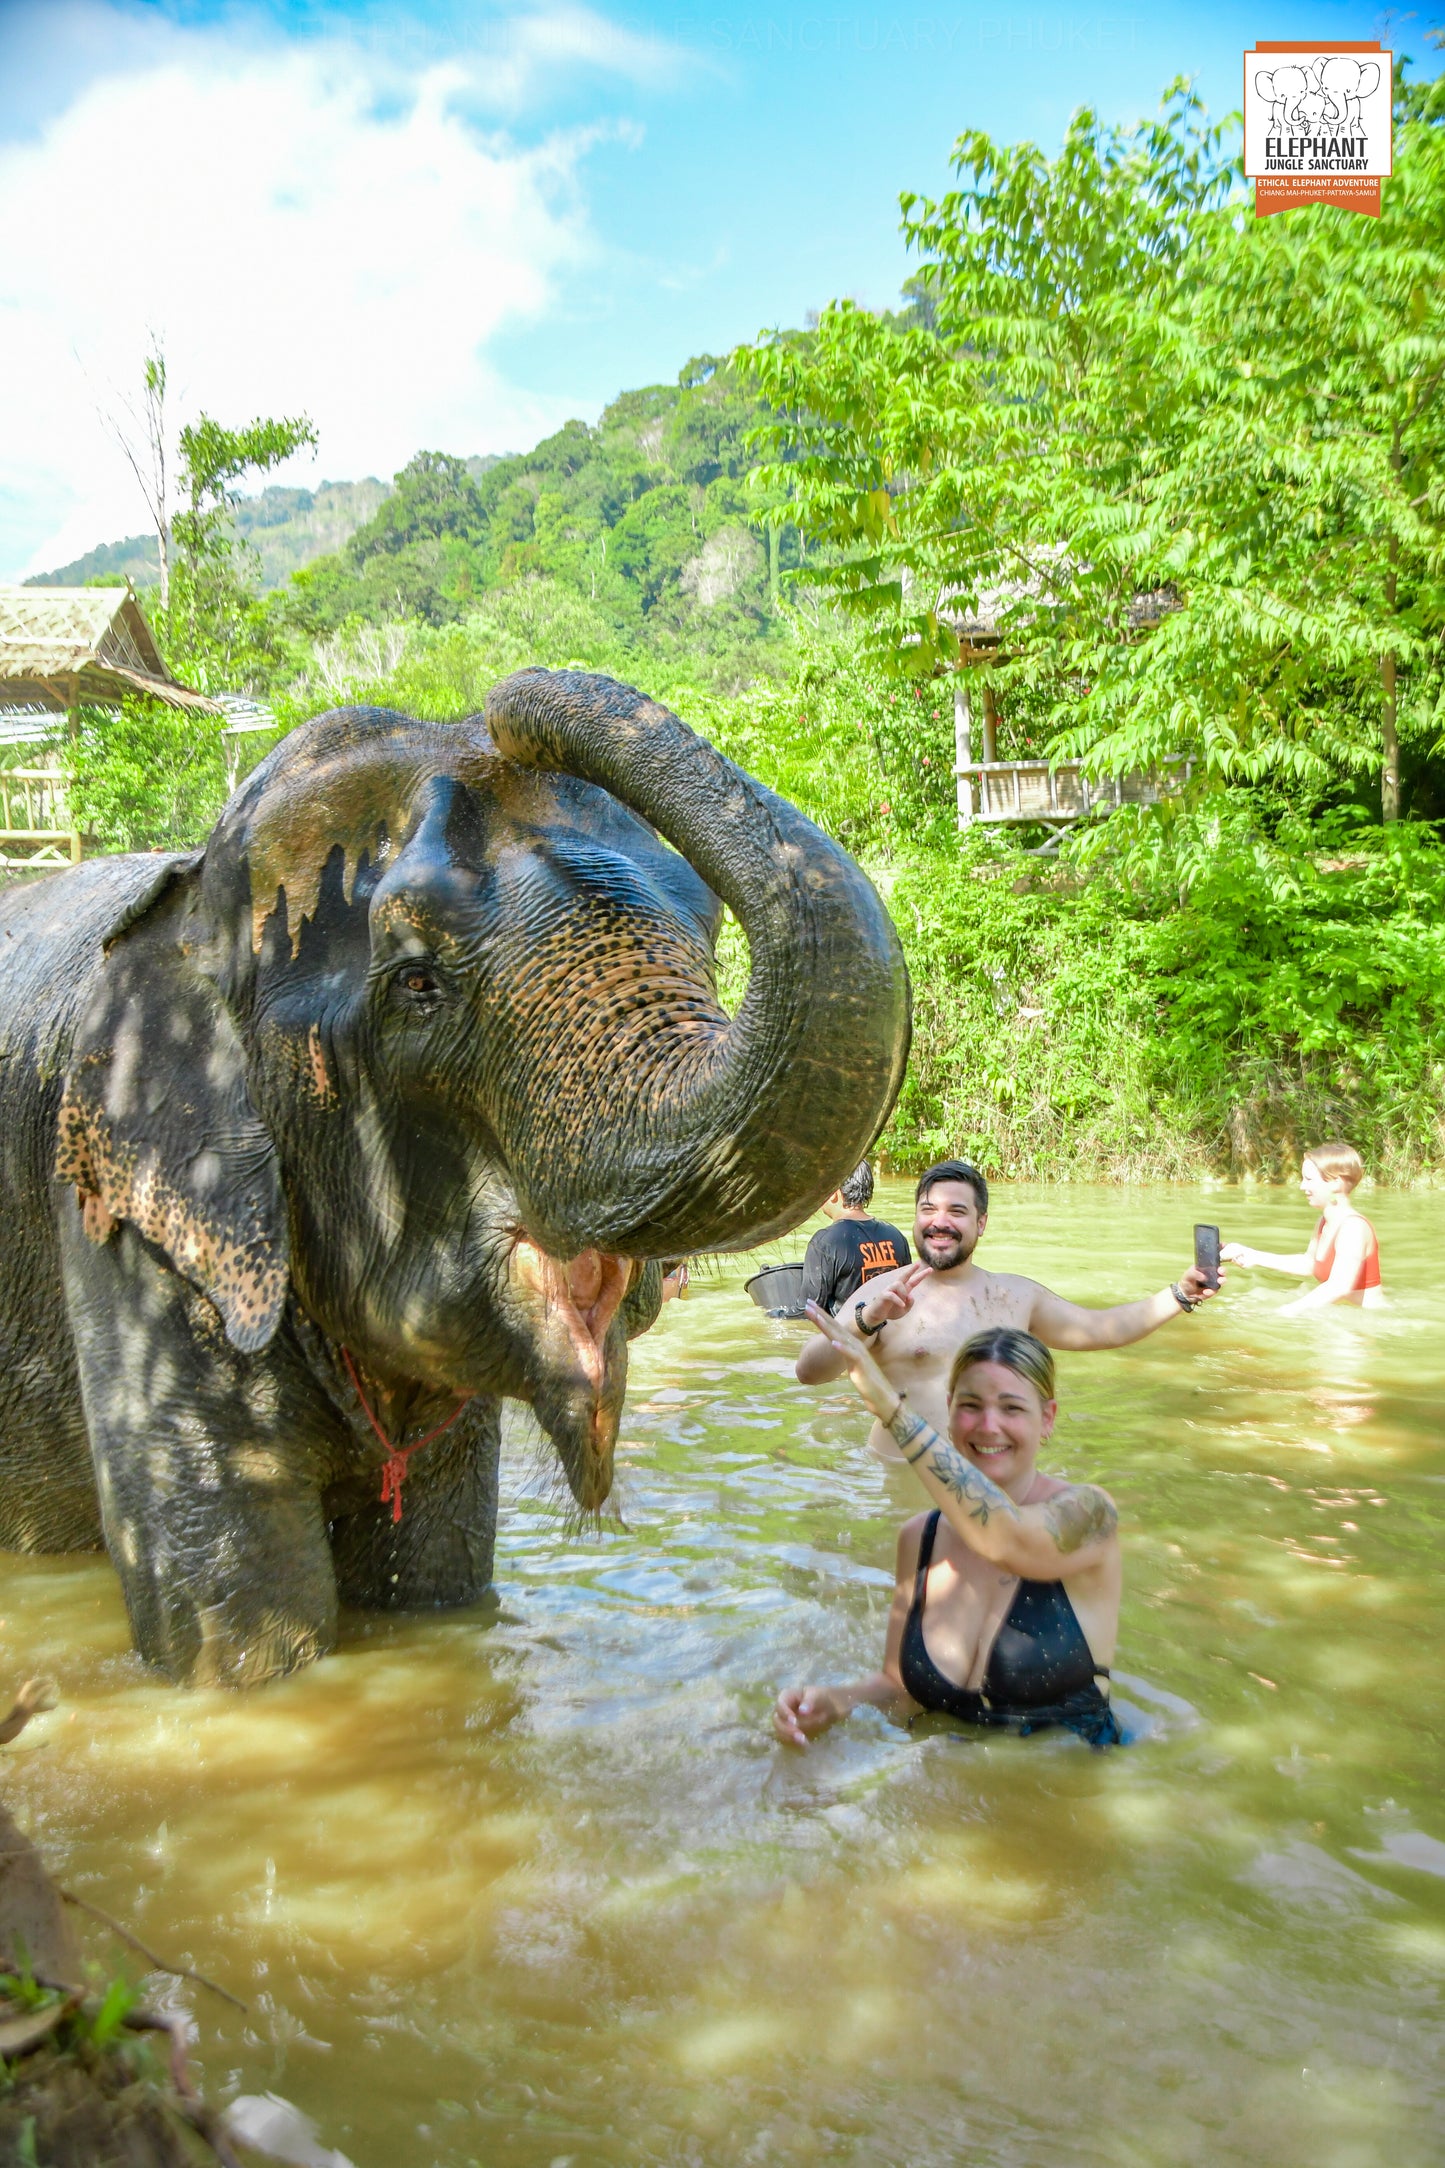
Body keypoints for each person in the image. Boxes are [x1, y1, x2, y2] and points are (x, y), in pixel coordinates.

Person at [774, 1324, 1122, 1749]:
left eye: (1012, 1408)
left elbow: (1007, 1539)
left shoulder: (1090, 1515)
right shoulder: (918, 1537)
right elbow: (899, 1688)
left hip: (1068, 1798)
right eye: (971, 1405)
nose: (989, 1426)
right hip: (948, 1798)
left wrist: (891, 1408)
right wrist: (836, 1701)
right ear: (949, 1410)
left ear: (1047, 1418)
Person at [795, 1159, 1220, 1459]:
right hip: (902, 1480)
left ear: (980, 1223)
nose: (939, 1221)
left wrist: (1179, 1295)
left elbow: (1101, 1328)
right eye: (928, 1210)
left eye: (956, 1212)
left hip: (988, 1487)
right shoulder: (883, 1290)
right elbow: (809, 1372)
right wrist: (869, 1318)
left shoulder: (1015, 1296)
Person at [1222, 1143, 1384, 1313]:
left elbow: (1339, 1286)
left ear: (1335, 1182)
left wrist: (1287, 1311)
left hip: (1367, 1321)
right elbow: (1309, 1264)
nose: (1302, 1187)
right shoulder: (1323, 1222)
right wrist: (1252, 1256)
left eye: (1309, 1179)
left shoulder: (1353, 1228)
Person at [800, 1161, 911, 1316]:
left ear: (834, 1194)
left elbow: (808, 1311)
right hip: (887, 1331)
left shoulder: (824, 1242)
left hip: (847, 1334)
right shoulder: (896, 1236)